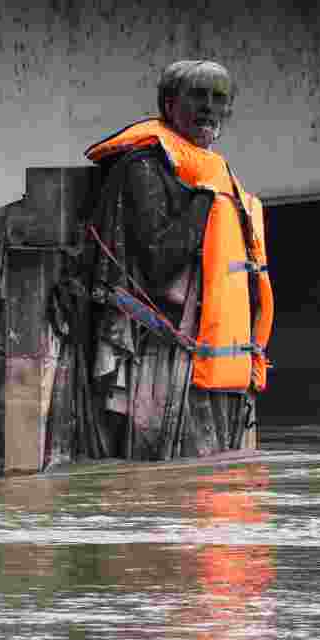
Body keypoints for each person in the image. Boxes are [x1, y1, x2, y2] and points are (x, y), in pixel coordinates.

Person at [46, 59, 274, 463]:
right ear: (170, 105)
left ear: (229, 110)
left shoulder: (213, 174)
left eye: (218, 98)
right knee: (175, 478)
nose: (208, 107)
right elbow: (158, 258)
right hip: (159, 356)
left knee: (214, 491)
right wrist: (204, 200)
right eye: (197, 96)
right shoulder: (146, 166)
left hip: (212, 354)